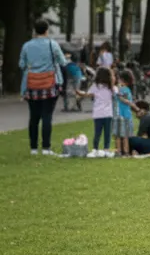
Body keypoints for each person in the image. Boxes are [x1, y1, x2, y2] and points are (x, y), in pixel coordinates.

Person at [19, 19, 68, 155]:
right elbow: (62, 61)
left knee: (33, 117)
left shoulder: (27, 46)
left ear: (35, 30)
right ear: (47, 30)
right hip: (49, 84)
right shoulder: (53, 45)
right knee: (47, 116)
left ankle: (33, 148)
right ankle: (46, 148)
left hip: (32, 85)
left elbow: (21, 64)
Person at [76, 66, 115, 155]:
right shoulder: (110, 87)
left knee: (97, 132)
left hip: (98, 114)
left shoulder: (95, 86)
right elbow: (115, 93)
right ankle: (106, 149)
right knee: (107, 133)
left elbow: (86, 94)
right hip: (108, 114)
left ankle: (95, 149)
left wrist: (78, 92)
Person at [114, 70, 136, 156]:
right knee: (123, 135)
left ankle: (121, 151)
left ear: (122, 80)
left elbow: (128, 101)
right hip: (124, 115)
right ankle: (124, 151)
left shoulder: (123, 90)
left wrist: (120, 97)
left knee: (121, 135)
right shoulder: (125, 90)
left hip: (122, 115)